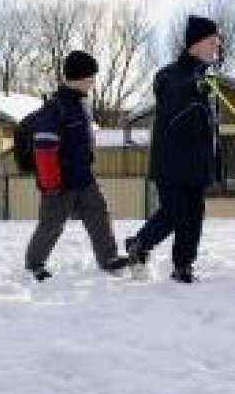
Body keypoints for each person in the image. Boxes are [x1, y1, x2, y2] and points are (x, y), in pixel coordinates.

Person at [125, 15, 222, 283]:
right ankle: (140, 245)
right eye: (212, 42)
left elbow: (210, 128)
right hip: (172, 163)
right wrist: (194, 87)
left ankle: (183, 266)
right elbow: (171, 100)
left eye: (218, 42)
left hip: (198, 164)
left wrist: (216, 162)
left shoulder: (207, 79)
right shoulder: (169, 75)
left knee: (193, 216)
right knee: (174, 211)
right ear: (195, 43)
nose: (217, 47)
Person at [24, 50, 130, 281]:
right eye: (91, 78)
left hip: (83, 177)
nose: (93, 83)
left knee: (99, 215)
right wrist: (51, 183)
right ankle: (34, 264)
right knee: (52, 224)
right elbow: (44, 149)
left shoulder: (81, 106)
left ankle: (108, 258)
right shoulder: (55, 108)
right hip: (59, 181)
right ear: (78, 78)